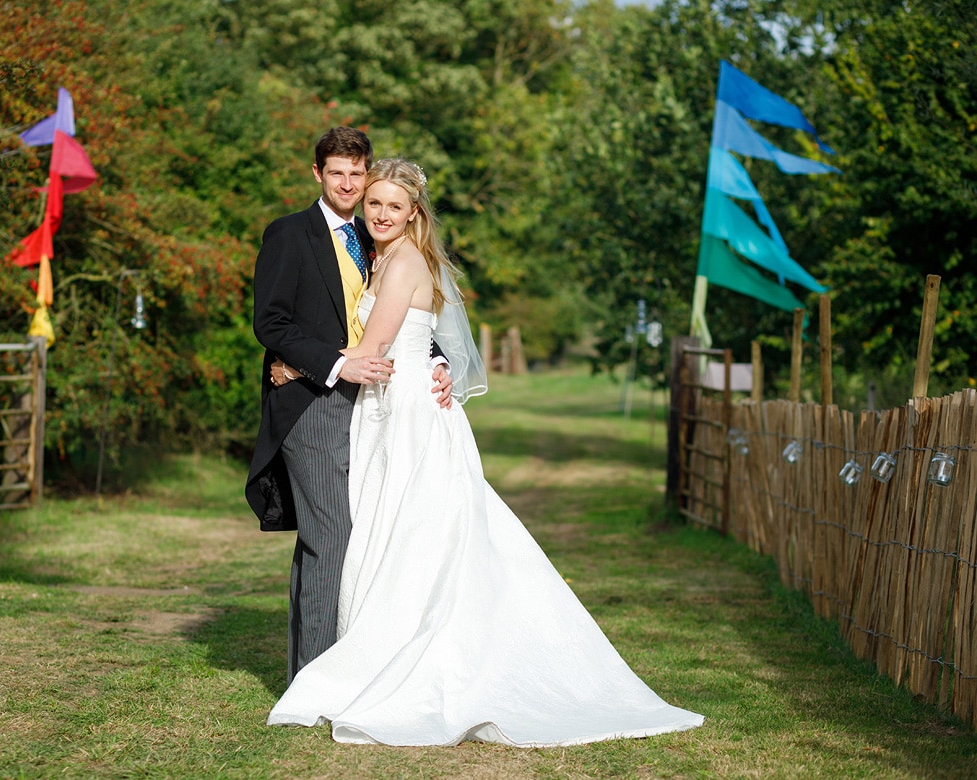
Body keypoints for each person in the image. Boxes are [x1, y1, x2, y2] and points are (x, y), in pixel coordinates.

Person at [266, 158, 705, 746]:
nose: (380, 214)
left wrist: (297, 363)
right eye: (374, 204)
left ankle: (409, 654)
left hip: (406, 413)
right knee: (394, 526)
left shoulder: (402, 264)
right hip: (388, 404)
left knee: (415, 529)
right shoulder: (387, 258)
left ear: (413, 211)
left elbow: (371, 349)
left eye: (393, 206)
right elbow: (404, 341)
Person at [245, 129, 453, 685]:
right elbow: (271, 322)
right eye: (336, 172)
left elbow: (404, 313)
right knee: (333, 530)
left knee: (338, 533)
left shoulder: (376, 236)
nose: (348, 183)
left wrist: (436, 361)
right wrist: (329, 365)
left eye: (356, 174)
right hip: (310, 403)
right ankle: (315, 679)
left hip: (370, 408)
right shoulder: (289, 235)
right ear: (318, 173)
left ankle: (321, 668)